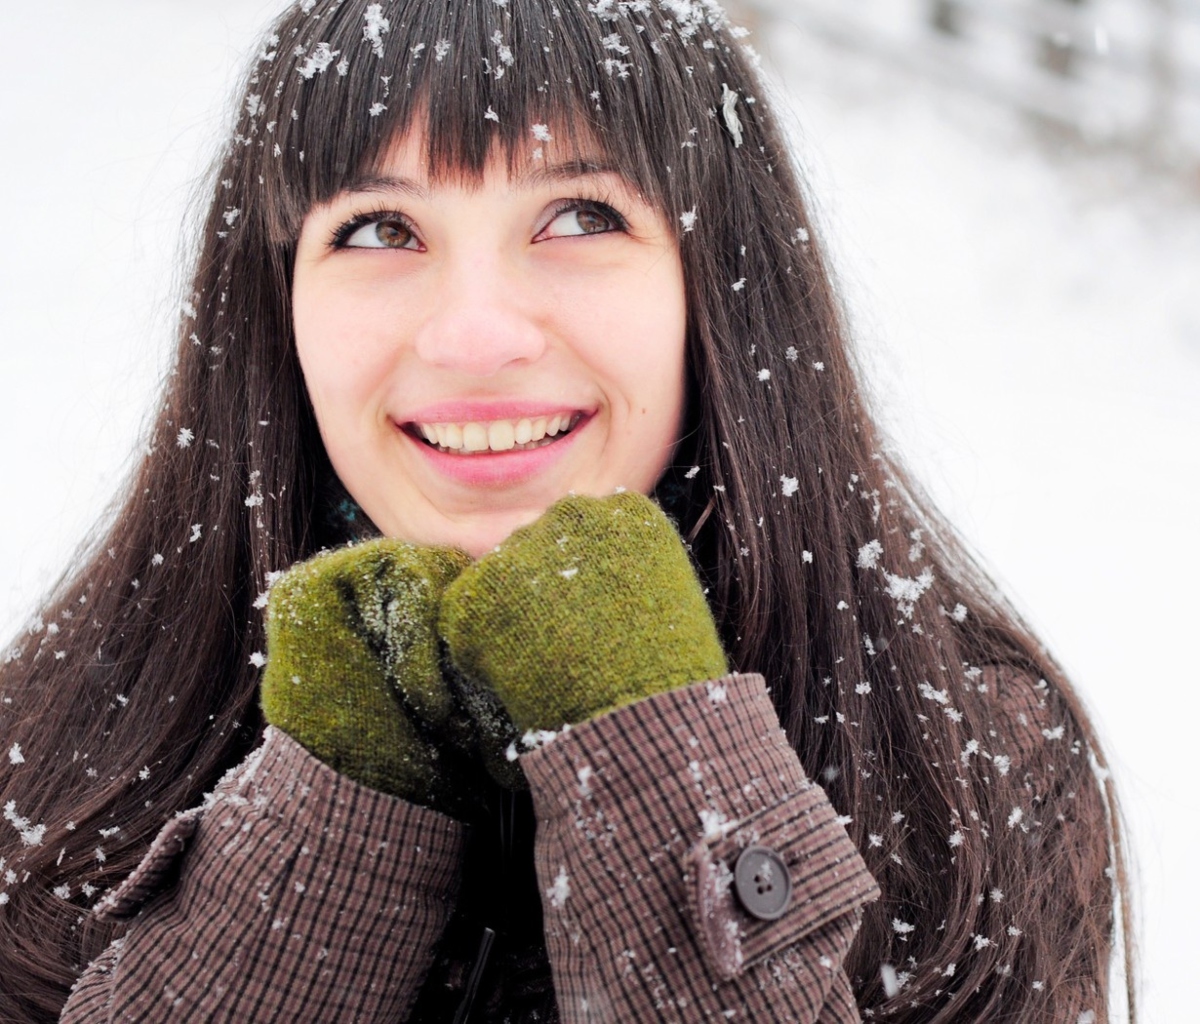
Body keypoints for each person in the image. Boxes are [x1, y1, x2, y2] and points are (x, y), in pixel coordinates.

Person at [0, 0, 1132, 1021]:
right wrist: (321, 835)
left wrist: (661, 766)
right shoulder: (56, 758)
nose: (475, 335)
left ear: (721, 286)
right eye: (382, 230)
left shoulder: (970, 769)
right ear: (273, 307)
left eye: (581, 216)